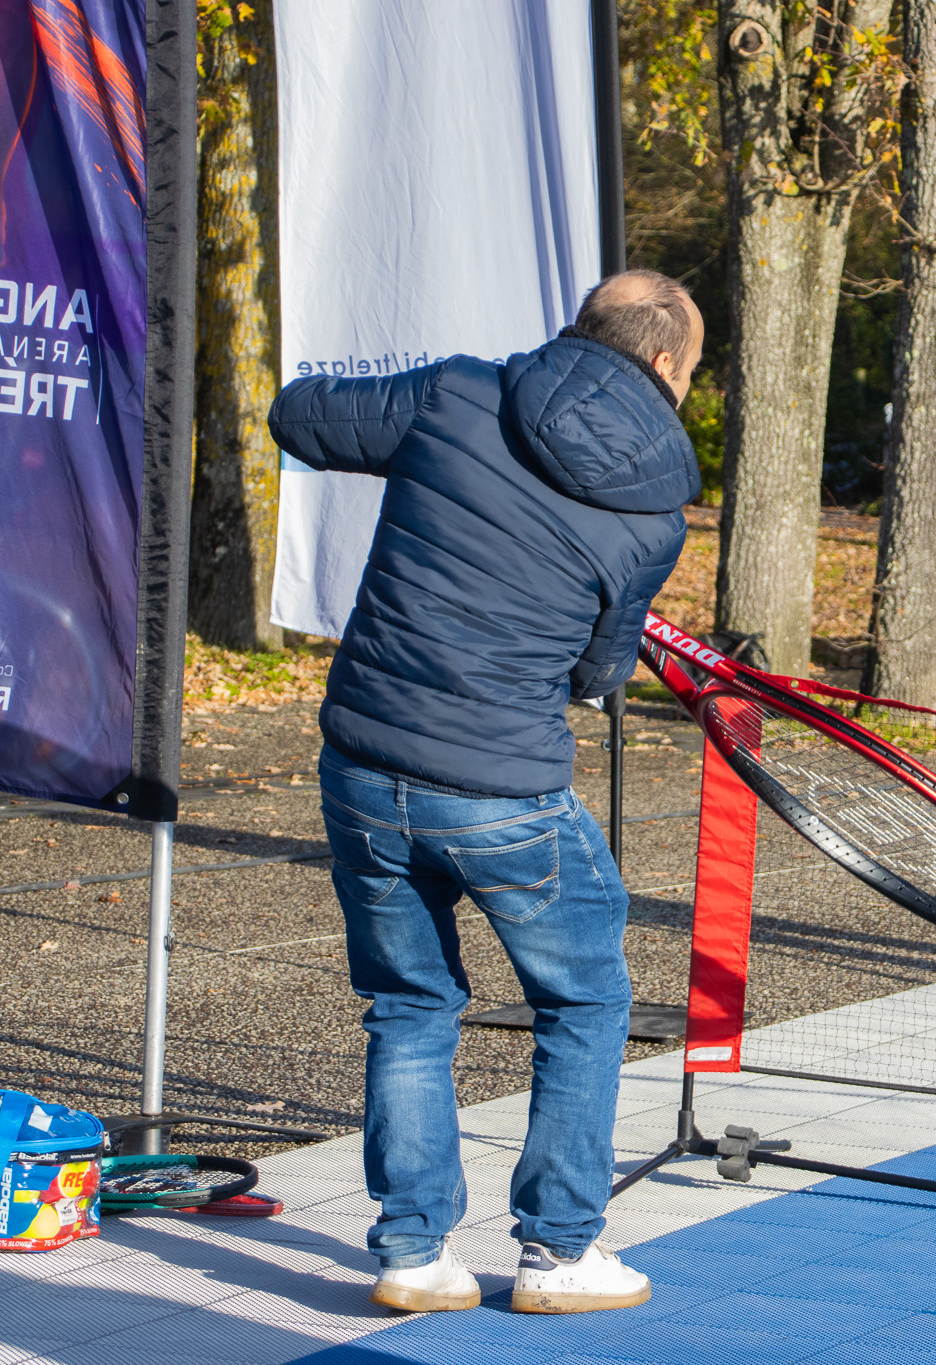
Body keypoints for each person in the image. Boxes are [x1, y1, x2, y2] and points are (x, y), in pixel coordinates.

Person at [267, 270, 704, 1313]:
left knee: (411, 1004)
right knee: (586, 999)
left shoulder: (455, 394)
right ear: (660, 365)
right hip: (505, 788)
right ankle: (557, 1254)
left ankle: (412, 1255)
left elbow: (298, 415)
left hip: (366, 768)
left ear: (580, 333)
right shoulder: (655, 519)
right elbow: (598, 676)